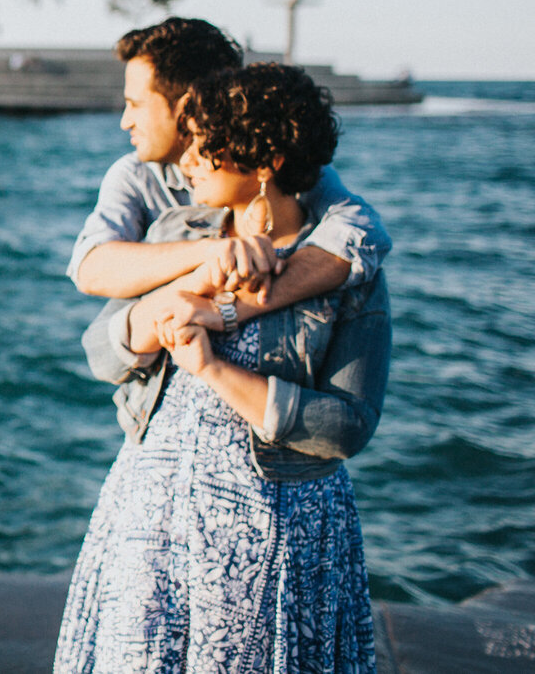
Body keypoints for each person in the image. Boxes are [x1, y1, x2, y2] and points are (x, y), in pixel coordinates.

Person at [53, 63, 389, 673]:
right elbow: (100, 351)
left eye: (206, 146)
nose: (187, 162)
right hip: (149, 522)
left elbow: (347, 428)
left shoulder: (346, 272)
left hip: (275, 536)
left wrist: (212, 369)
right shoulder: (176, 231)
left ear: (262, 162)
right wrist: (160, 311)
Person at [68, 17, 390, 330]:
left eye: (135, 105)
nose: (125, 121)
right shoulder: (136, 176)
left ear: (185, 106)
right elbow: (91, 269)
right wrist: (213, 252)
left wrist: (234, 308)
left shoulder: (277, 162)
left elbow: (361, 233)